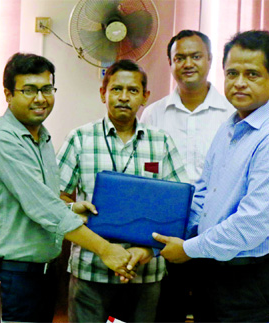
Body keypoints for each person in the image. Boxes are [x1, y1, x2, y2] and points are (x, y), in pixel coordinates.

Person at [154, 30, 269, 322]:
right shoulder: (231, 126)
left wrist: (188, 249)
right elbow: (204, 191)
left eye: (252, 74)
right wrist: (181, 232)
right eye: (232, 73)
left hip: (257, 280)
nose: (239, 83)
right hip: (215, 271)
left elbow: (252, 224)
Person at [0, 53, 134, 322]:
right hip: (12, 276)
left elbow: (39, 200)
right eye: (29, 90)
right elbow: (41, 207)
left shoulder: (42, 136)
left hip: (43, 276)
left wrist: (71, 207)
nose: (40, 98)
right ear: (8, 94)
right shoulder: (1, 139)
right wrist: (105, 249)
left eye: (47, 89)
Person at [57, 59, 188, 322]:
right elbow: (55, 198)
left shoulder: (161, 142)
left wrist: (146, 251)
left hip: (146, 272)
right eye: (116, 89)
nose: (124, 97)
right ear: (103, 93)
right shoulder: (80, 138)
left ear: (145, 96)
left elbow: (178, 209)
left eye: (132, 90)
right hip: (91, 272)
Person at [139, 29, 234, 322]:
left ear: (210, 60)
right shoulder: (154, 114)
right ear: (171, 63)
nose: (187, 63)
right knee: (167, 309)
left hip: (216, 229)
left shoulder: (231, 114)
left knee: (214, 308)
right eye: (179, 57)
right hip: (168, 229)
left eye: (195, 56)